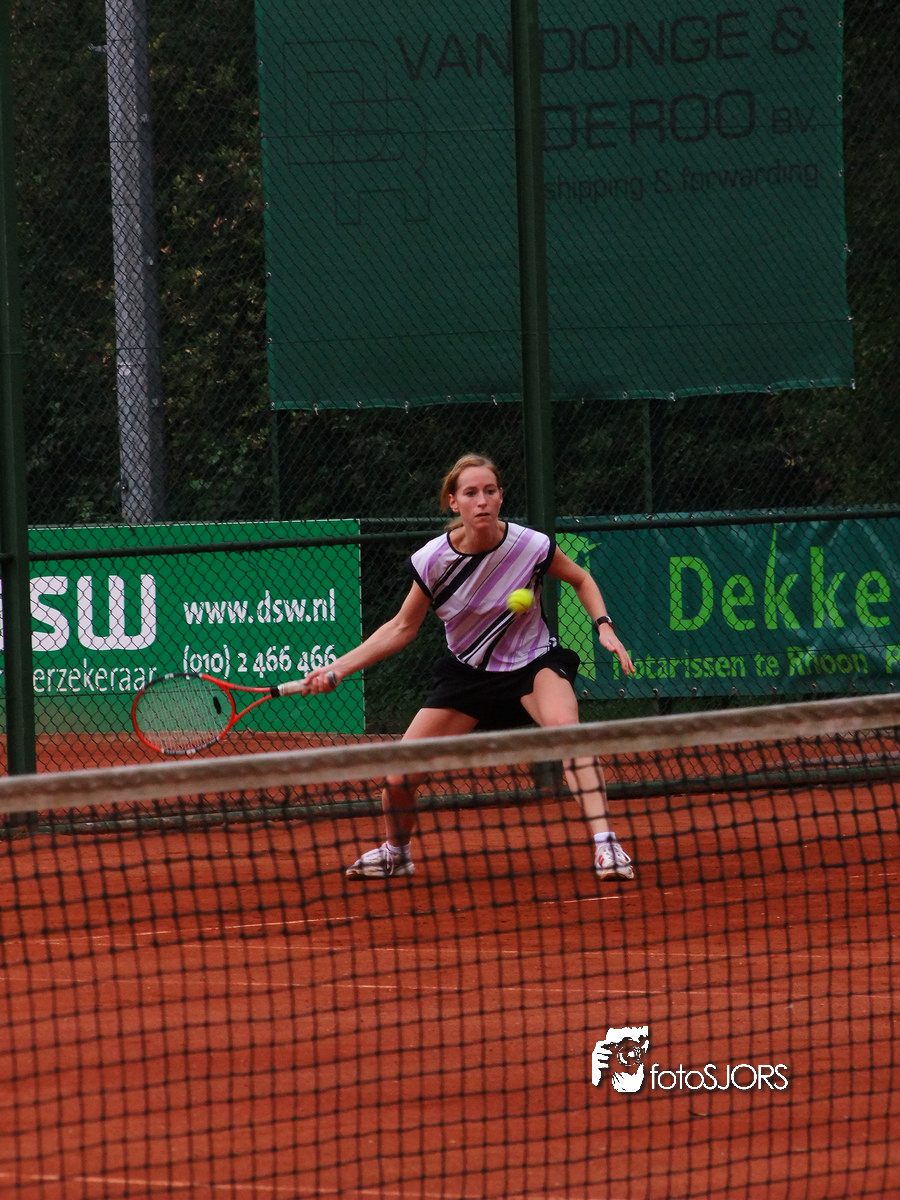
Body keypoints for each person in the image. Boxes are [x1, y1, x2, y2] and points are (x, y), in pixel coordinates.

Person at [301, 453, 637, 881]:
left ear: (501, 498)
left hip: (532, 664)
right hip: (469, 673)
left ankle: (607, 846)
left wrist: (604, 626)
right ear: (453, 502)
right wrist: (339, 667)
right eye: (471, 493)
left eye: (490, 491)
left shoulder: (529, 545)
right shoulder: (433, 560)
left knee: (569, 735)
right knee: (399, 777)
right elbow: (402, 628)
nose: (482, 501)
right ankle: (396, 854)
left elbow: (581, 579)